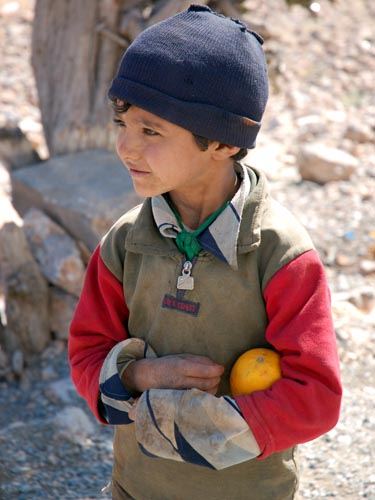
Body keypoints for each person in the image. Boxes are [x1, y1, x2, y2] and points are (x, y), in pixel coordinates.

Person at [69, 5, 342, 499]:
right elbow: (87, 353)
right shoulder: (125, 244)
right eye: (122, 123)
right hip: (136, 489)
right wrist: (139, 376)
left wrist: (208, 424)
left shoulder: (279, 254)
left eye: (151, 131)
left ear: (220, 142)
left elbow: (316, 397)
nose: (126, 147)